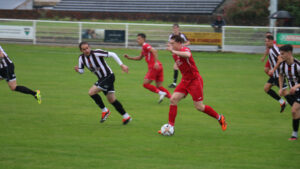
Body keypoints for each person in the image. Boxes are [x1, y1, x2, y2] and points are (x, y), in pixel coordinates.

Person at [158, 35, 227, 135]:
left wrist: (173, 51)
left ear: (179, 43)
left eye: (173, 43)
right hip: (185, 80)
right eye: (170, 43)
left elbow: (187, 55)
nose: (171, 45)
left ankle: (220, 118)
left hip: (195, 81)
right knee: (173, 99)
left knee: (199, 107)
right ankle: (170, 127)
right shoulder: (174, 54)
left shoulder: (184, 49)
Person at [74, 42, 132, 124]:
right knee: (111, 100)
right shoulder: (81, 58)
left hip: (108, 76)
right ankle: (126, 117)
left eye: (87, 48)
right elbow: (81, 71)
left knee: (91, 92)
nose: (86, 50)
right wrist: (78, 70)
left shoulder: (96, 53)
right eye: (84, 49)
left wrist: (121, 65)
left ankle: (105, 111)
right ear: (81, 50)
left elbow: (113, 54)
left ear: (89, 47)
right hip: (102, 79)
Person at [124, 33, 171, 103]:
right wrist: (129, 58)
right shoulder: (144, 48)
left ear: (143, 39)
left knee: (145, 84)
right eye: (137, 39)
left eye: (139, 39)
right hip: (159, 66)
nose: (137, 40)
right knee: (159, 86)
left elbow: (154, 51)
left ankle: (161, 93)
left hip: (154, 67)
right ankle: (172, 98)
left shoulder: (145, 45)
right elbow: (139, 58)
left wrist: (155, 62)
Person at [263, 35, 294, 113]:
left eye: (267, 41)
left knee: (285, 93)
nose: (266, 43)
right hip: (274, 75)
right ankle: (282, 102)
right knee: (266, 88)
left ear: (271, 41)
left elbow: (280, 59)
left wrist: (273, 69)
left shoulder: (274, 50)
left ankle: (295, 107)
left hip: (278, 74)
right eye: (265, 41)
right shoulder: (270, 49)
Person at [278, 44, 300, 141]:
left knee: (294, 110)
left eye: (282, 54)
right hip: (293, 92)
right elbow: (281, 75)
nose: (281, 56)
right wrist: (281, 87)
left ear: (289, 53)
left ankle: (294, 135)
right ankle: (295, 134)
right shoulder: (282, 65)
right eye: (280, 54)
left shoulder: (298, 65)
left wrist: (296, 86)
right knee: (296, 112)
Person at [168, 24, 190, 88]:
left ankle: (175, 83)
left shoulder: (182, 35)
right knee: (178, 67)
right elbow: (169, 43)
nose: (175, 29)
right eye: (173, 28)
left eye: (176, 28)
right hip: (175, 53)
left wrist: (182, 46)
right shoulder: (171, 36)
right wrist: (170, 47)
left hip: (181, 52)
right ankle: (178, 82)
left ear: (178, 28)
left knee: (176, 67)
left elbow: (188, 42)